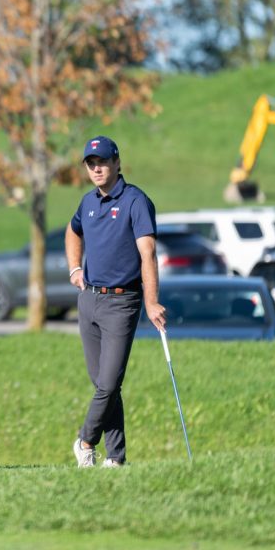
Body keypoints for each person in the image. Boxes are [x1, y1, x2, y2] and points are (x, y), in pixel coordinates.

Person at [65, 136, 166, 468]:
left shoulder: (136, 201)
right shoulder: (87, 203)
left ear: (117, 162)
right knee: (104, 386)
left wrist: (152, 303)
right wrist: (75, 267)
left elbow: (148, 254)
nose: (97, 168)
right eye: (91, 163)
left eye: (102, 162)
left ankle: (84, 440)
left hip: (123, 303)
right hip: (89, 300)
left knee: (108, 383)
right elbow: (72, 230)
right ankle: (117, 458)